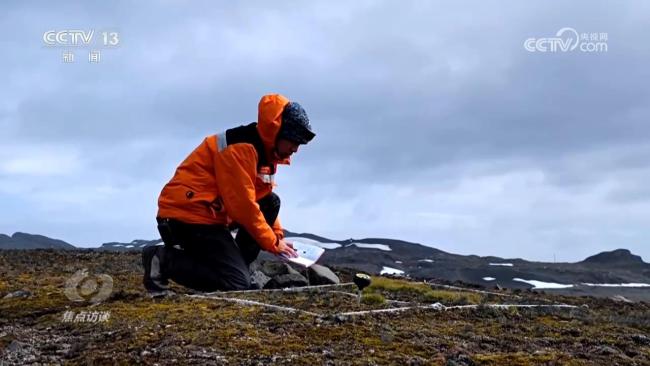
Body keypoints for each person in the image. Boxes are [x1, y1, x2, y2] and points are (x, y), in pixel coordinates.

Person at [142, 94, 315, 295]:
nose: (295, 149)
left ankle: (234, 269)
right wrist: (274, 244)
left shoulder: (265, 153)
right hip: (187, 216)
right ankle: (161, 259)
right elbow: (243, 207)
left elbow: (261, 198)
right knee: (237, 284)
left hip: (210, 214)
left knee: (271, 202)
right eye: (293, 141)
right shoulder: (241, 149)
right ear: (277, 132)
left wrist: (278, 236)